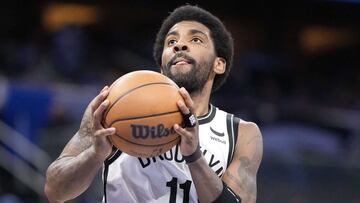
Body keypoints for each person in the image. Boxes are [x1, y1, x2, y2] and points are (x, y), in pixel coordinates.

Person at [44, 5, 263, 203]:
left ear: (219, 64)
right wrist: (94, 154)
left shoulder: (241, 133)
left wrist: (194, 156)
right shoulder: (112, 110)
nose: (180, 45)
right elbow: (55, 191)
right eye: (172, 42)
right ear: (161, 65)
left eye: (196, 39)